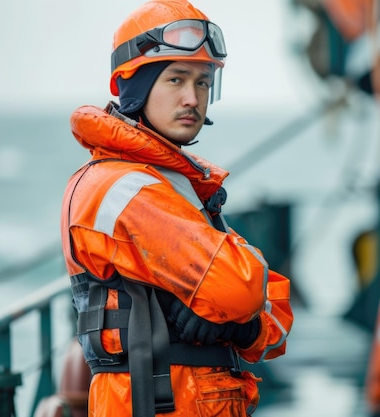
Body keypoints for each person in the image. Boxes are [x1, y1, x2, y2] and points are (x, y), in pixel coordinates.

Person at [59, 1, 294, 416]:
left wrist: (245, 324)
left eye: (203, 83)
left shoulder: (175, 185)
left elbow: (274, 314)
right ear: (131, 86)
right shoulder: (126, 187)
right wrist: (239, 312)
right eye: (176, 79)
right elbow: (242, 287)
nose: (192, 98)